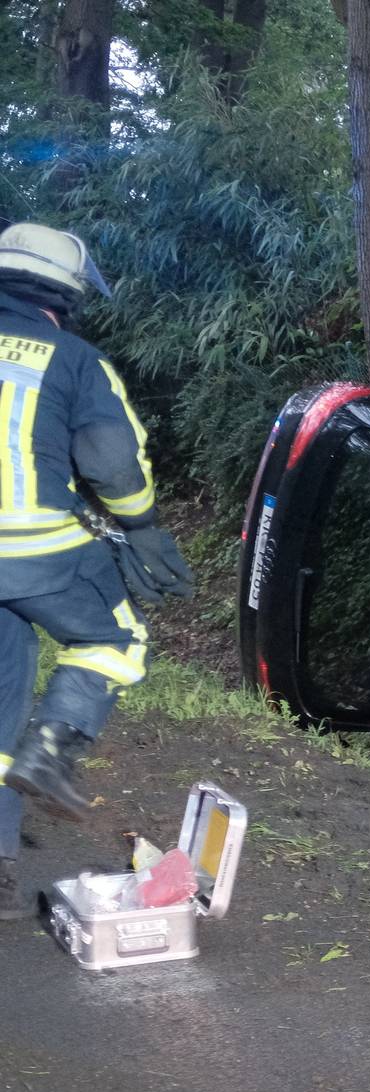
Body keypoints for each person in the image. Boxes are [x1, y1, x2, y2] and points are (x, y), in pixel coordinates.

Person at [0, 222, 193, 918]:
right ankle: (52, 748)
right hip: (33, 550)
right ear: (64, 295)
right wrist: (141, 525)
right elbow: (112, 462)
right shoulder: (74, 359)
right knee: (113, 639)